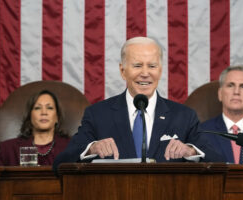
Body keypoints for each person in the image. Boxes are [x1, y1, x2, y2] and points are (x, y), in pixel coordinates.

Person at [53, 36, 223, 171]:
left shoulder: (184, 116)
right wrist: (91, 148)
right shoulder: (98, 114)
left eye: (152, 66)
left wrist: (191, 151)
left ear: (160, 70)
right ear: (122, 71)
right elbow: (60, 164)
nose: (145, 73)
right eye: (137, 65)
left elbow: (218, 162)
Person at [0, 90, 70, 166]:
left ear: (57, 117)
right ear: (30, 116)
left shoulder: (72, 147)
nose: (44, 112)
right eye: (37, 108)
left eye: (49, 108)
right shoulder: (9, 149)